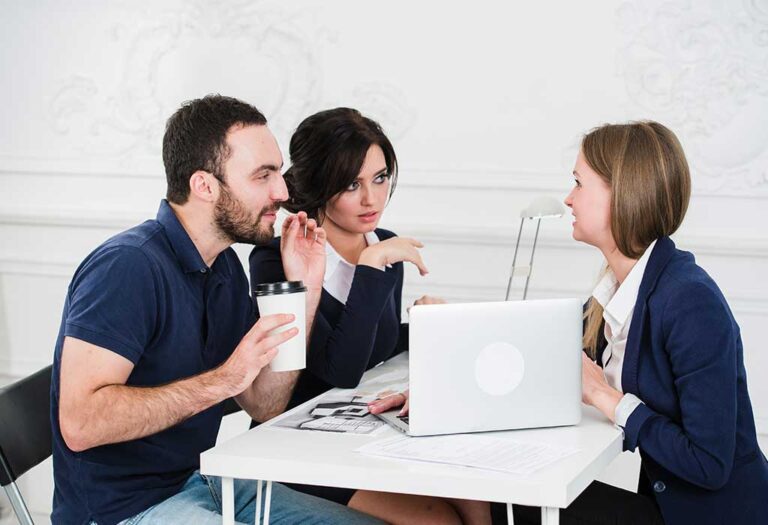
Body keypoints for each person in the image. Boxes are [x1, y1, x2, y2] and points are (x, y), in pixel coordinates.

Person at [372, 121, 768, 525]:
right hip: (667, 508)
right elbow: (535, 355)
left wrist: (604, 397)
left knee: (498, 502)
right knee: (484, 494)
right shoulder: (617, 290)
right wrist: (440, 389)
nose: (568, 198)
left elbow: (709, 463)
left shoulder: (690, 301)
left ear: (623, 193)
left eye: (579, 183)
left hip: (709, 517)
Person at [51, 95, 384, 525]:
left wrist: (304, 288)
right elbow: (80, 424)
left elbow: (264, 403)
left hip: (203, 480)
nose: (282, 192)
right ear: (204, 186)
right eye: (263, 176)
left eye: (278, 173)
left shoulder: (223, 265)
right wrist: (224, 379)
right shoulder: (127, 266)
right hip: (122, 509)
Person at [249, 107, 490, 524]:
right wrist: (370, 266)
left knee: (475, 492)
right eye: (351, 184)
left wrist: (431, 326)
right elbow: (341, 369)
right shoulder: (274, 259)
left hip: (358, 426)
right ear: (320, 185)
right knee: (438, 519)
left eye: (379, 178)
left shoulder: (383, 245)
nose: (371, 199)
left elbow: (377, 342)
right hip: (297, 445)